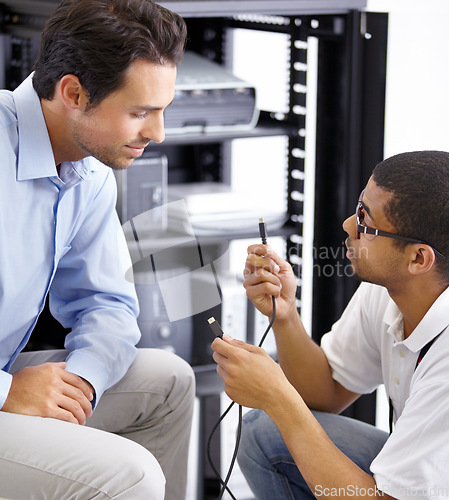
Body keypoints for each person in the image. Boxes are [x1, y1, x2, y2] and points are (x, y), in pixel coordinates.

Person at [0, 1, 195, 499]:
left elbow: (106, 304)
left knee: (168, 383)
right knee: (131, 476)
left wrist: (82, 383)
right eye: (139, 112)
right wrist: (8, 393)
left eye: (162, 111)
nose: (158, 133)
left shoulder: (88, 174)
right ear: (73, 92)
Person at [212, 150, 449, 499]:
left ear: (418, 258)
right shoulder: (390, 293)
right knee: (264, 433)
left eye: (365, 221)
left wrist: (278, 398)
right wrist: (285, 314)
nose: (348, 226)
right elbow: (327, 392)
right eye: (358, 208)